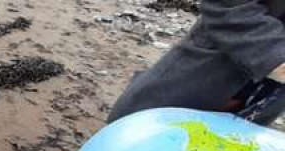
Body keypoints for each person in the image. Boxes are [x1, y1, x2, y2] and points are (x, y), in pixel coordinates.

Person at [108, 0, 285, 126]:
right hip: (214, 65)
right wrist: (275, 56)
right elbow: (228, 6)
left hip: (266, 99)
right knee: (137, 134)